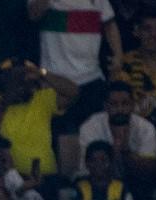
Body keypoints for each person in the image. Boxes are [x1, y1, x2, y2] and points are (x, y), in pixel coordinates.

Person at [0, 59, 78, 181]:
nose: (24, 82)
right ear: (3, 79)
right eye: (17, 78)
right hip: (9, 178)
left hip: (46, 176)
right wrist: (6, 101)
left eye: (26, 77)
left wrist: (41, 73)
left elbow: (73, 92)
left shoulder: (41, 99)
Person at [29, 0, 124, 132]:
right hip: (53, 82)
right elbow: (33, 14)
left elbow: (110, 24)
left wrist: (118, 55)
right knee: (58, 136)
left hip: (91, 79)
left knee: (91, 138)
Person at [78, 81, 156, 189]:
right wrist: (114, 153)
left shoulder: (146, 128)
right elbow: (89, 166)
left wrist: (125, 152)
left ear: (133, 105)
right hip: (96, 182)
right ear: (106, 106)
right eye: (114, 104)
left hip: (134, 183)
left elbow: (149, 169)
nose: (120, 109)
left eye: (125, 104)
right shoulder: (91, 126)